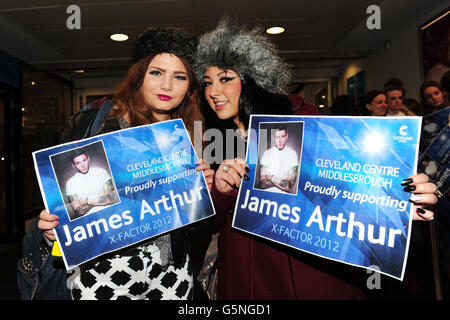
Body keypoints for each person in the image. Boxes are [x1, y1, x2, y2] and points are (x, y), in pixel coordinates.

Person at [194, 18, 439, 300]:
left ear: (251, 80)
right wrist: (221, 191)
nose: (213, 91)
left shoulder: (301, 121)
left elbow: (342, 184)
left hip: (298, 272)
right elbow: (216, 220)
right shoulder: (218, 138)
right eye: (207, 82)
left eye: (225, 79)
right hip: (241, 274)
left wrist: (394, 203)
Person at [37, 26, 214, 300]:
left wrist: (200, 193)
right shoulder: (98, 125)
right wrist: (55, 228)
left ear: (190, 86)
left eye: (179, 77)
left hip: (171, 269)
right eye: (156, 72)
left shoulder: (190, 135)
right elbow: (65, 203)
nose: (166, 86)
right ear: (139, 75)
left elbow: (188, 224)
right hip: (104, 267)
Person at [65, 148, 117, 219]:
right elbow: (79, 211)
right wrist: (100, 198)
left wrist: (86, 201)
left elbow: (111, 198)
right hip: (90, 220)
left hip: (111, 214)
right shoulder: (70, 183)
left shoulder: (102, 172)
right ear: (74, 166)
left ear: (88, 159)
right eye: (78, 163)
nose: (82, 165)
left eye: (84, 160)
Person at [257, 125, 299, 194]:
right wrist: (281, 180)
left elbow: (289, 187)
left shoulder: (292, 154)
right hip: (265, 194)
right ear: (274, 138)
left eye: (282, 136)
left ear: (286, 136)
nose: (280, 140)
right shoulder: (267, 153)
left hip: (283, 198)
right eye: (277, 137)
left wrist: (270, 177)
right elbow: (262, 183)